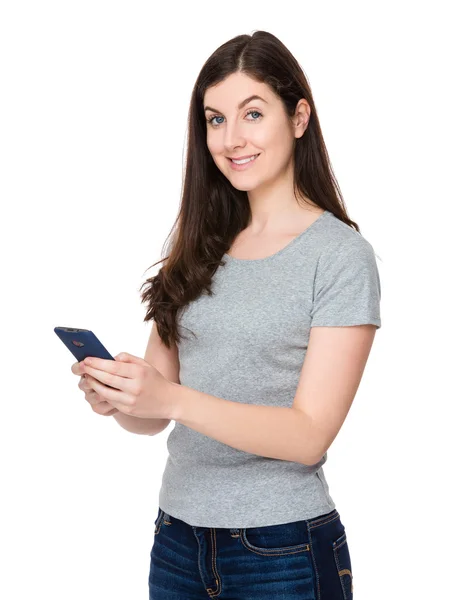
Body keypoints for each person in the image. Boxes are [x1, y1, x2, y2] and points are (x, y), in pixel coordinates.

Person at [76, 30, 381, 599]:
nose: (231, 138)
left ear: (299, 117)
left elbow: (309, 435)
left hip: (282, 552)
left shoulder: (340, 257)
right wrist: (123, 399)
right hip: (177, 542)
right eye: (215, 119)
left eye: (252, 113)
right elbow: (155, 412)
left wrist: (169, 399)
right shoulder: (197, 246)